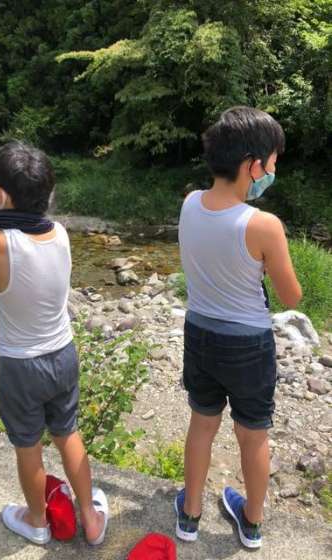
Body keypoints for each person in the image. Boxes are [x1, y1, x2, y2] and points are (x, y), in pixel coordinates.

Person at [0, 141, 108, 546]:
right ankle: (90, 518)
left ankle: (37, 521)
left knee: (27, 445)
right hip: (63, 354)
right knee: (68, 432)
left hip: (20, 365)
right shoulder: (60, 233)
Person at [176, 107, 302, 548]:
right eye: (272, 162)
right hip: (248, 345)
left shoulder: (190, 203)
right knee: (252, 433)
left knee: (202, 423)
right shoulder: (264, 225)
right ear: (253, 165)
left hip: (199, 334)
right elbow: (291, 297)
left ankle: (189, 515)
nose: (272, 171)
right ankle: (251, 522)